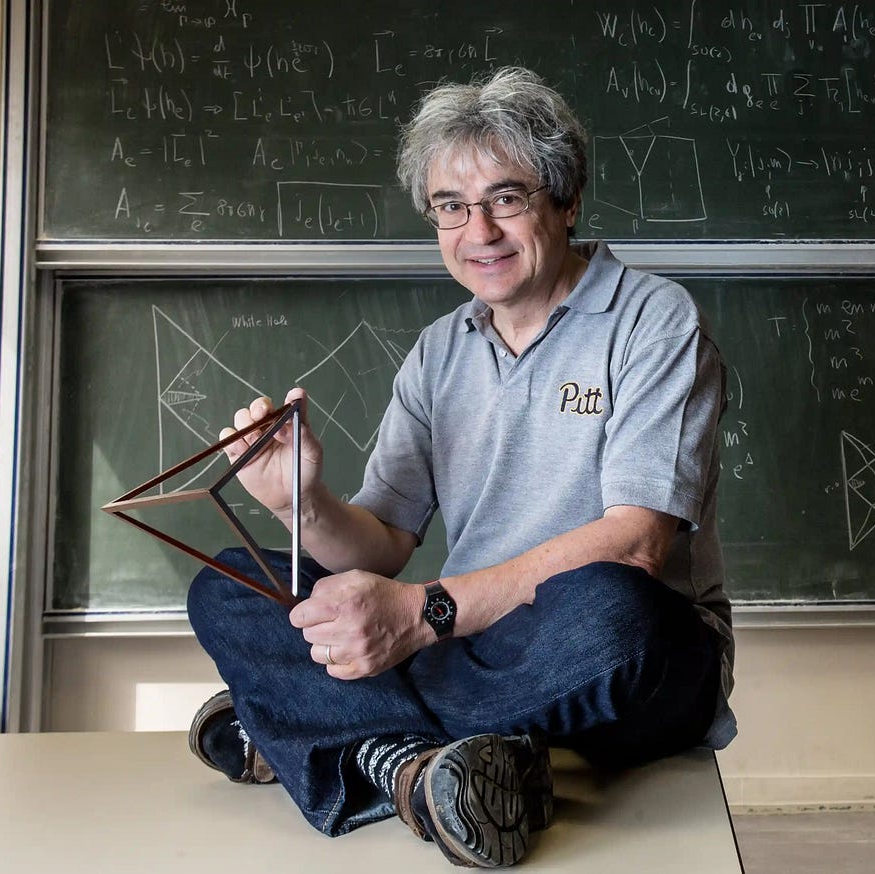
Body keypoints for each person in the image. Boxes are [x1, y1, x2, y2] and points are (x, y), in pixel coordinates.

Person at [184, 66, 734, 868]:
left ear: (567, 199)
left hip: (631, 663)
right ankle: (416, 769)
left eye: (506, 199)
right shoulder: (442, 350)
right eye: (451, 207)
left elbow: (637, 544)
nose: (479, 232)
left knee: (616, 605)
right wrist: (300, 504)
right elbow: (381, 546)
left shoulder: (654, 320)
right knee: (229, 582)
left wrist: (420, 616)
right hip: (470, 644)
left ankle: (311, 726)